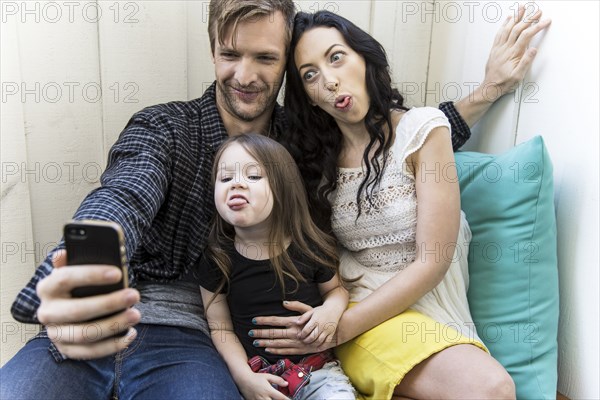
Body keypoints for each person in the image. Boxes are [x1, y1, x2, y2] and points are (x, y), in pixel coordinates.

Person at [0, 0, 550, 398]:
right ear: (213, 52)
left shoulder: (303, 147)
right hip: (106, 314)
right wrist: (91, 266)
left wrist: (488, 91)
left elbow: (395, 152)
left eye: (265, 58)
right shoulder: (164, 126)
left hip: (193, 341)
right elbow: (124, 193)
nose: (245, 74)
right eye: (230, 54)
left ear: (286, 64)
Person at [247, 9, 552, 400]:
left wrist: (489, 89)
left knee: (489, 387)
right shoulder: (316, 162)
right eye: (309, 74)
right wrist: (334, 324)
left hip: (420, 312)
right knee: (491, 388)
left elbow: (433, 260)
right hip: (362, 315)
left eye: (336, 57)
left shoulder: (423, 130)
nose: (329, 80)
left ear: (363, 57)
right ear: (306, 95)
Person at [198, 133, 355, 399]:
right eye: (225, 178)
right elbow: (220, 328)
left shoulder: (309, 247)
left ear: (282, 187)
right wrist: (243, 377)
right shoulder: (217, 258)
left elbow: (335, 290)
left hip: (316, 374)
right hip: (257, 379)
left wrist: (330, 311)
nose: (237, 184)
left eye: (253, 176)